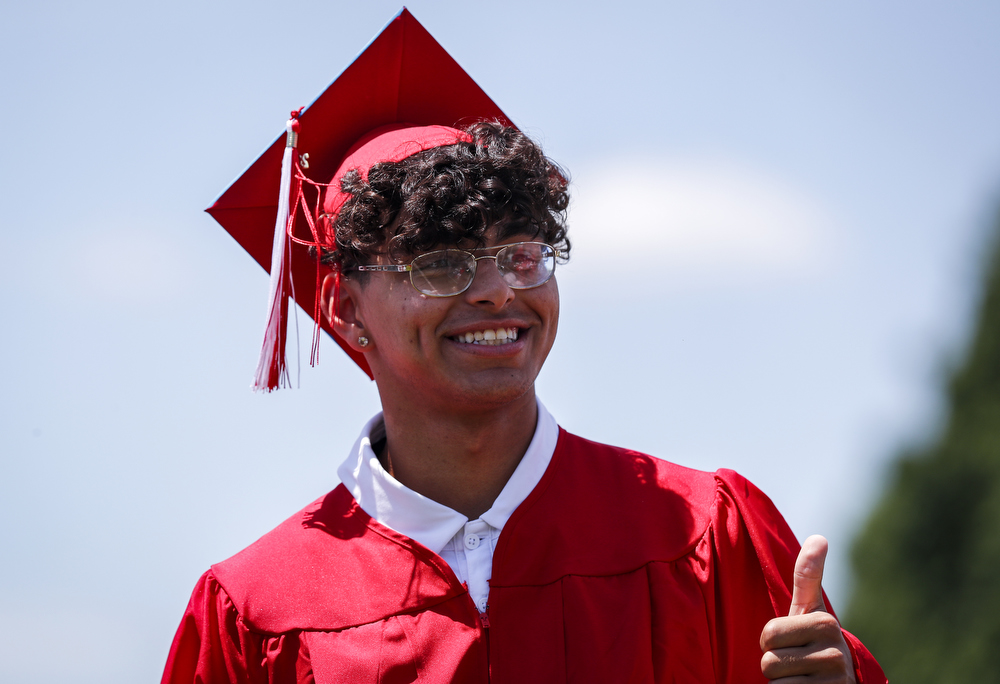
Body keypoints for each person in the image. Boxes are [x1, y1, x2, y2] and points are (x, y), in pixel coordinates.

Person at [163, 10, 887, 684]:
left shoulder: (701, 536)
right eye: (440, 263)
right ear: (346, 310)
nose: (494, 291)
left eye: (520, 254)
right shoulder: (256, 614)